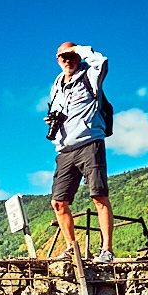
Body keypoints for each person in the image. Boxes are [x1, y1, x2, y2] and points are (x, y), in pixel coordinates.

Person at [46, 42, 115, 264]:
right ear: (57, 59)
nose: (69, 60)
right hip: (65, 149)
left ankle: (106, 250)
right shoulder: (56, 85)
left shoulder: (90, 75)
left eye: (72, 56)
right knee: (58, 202)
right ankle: (71, 248)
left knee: (98, 195)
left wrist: (79, 49)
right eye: (64, 57)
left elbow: (102, 61)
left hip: (89, 142)